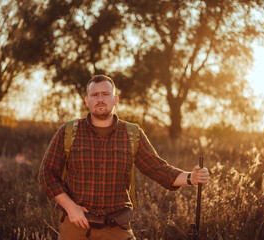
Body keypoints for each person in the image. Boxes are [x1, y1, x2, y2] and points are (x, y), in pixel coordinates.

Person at [39, 75, 210, 240]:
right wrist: (71, 208)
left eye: (105, 94)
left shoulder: (131, 134)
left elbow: (158, 169)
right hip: (76, 224)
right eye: (95, 95)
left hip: (116, 226)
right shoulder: (69, 131)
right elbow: (47, 173)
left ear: (115, 99)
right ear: (87, 100)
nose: (100, 99)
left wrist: (191, 178)